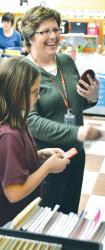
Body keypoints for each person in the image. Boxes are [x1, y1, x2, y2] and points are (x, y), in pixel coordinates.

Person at [21, 6, 102, 214]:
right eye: (45, 31)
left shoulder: (66, 61)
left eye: (56, 30)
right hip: (46, 158)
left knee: (69, 213)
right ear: (30, 36)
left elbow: (74, 103)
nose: (53, 36)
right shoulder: (23, 70)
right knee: (45, 220)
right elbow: (32, 122)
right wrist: (77, 132)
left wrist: (91, 97)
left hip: (75, 154)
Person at [0, 56, 70, 226]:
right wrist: (48, 167)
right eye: (34, 91)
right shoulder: (9, 135)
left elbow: (12, 163)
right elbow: (14, 193)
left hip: (8, 216)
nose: (38, 97)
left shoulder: (13, 120)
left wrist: (38, 156)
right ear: (16, 91)